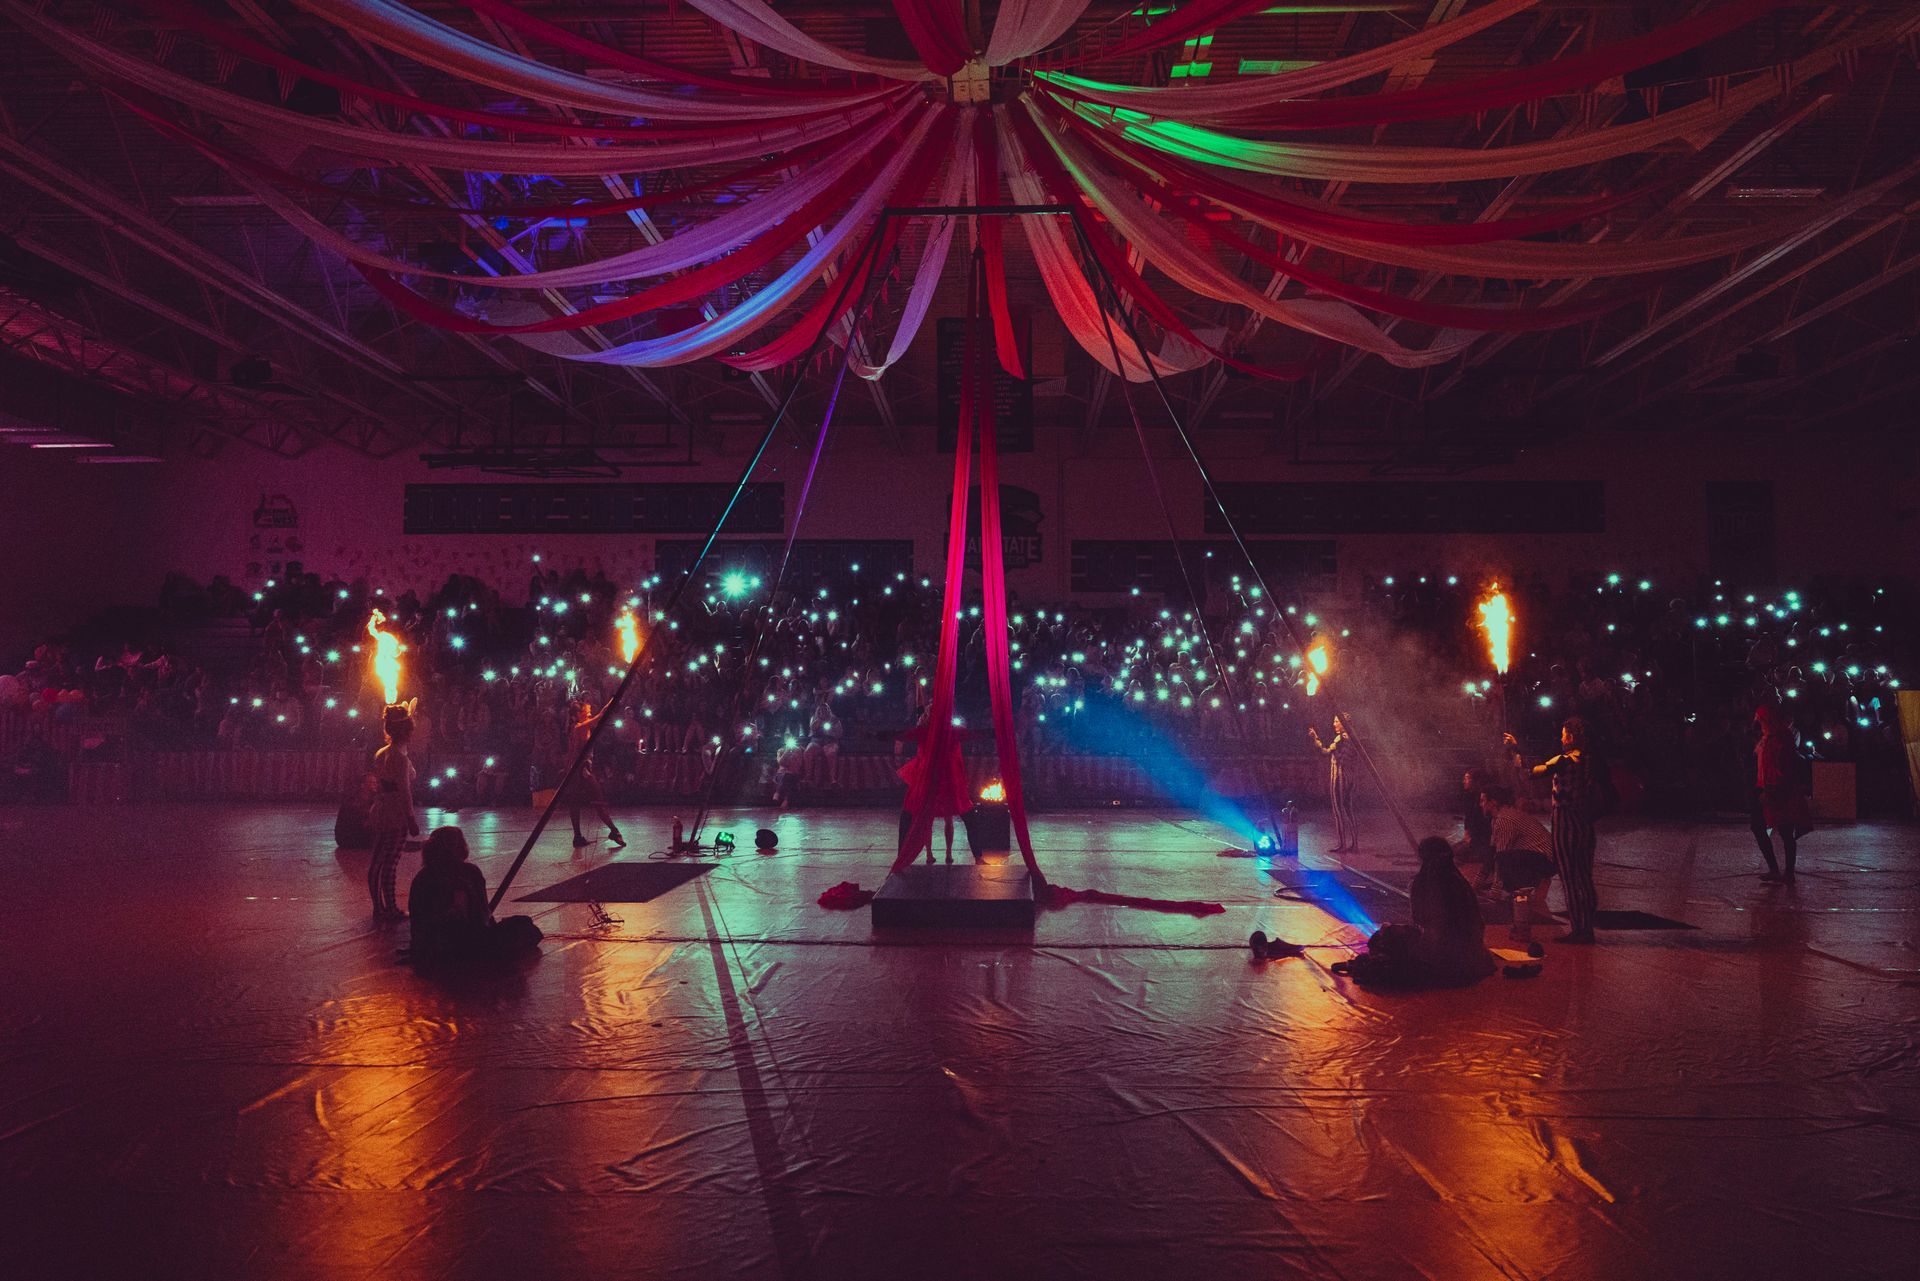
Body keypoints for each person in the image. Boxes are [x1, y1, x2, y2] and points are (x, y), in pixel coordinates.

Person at [1333, 837, 1494, 988]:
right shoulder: (1460, 882)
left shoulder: (1423, 884)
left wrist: (1395, 934)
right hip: (1473, 957)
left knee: (1384, 937)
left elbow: (1424, 926)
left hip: (1441, 957)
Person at [1506, 719, 1600, 943]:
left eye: (1563, 734)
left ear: (1570, 737)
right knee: (1584, 879)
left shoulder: (1565, 760)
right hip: (1585, 823)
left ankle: (1580, 931)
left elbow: (1530, 772)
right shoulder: (1589, 760)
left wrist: (1516, 750)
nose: (1560, 738)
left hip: (1566, 822)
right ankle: (1587, 928)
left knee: (1569, 878)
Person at [407, 827, 542, 967]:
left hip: (429, 947)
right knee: (523, 925)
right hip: (464, 943)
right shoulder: (469, 872)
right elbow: (481, 915)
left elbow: (418, 920)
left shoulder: (422, 877)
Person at [896, 708, 970, 864]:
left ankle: (947, 852)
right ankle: (930, 853)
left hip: (943, 775)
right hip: (931, 774)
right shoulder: (925, 731)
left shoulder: (946, 730)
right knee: (928, 817)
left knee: (945, 817)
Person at [368, 702, 420, 921]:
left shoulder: (382, 753)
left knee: (378, 861)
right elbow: (404, 791)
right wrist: (411, 819)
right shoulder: (399, 758)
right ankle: (389, 908)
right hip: (395, 814)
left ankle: (379, 907)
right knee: (389, 863)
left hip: (380, 810)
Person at [1478, 785, 1557, 922]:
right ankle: (1533, 883)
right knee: (1497, 855)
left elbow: (1500, 857)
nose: (1480, 805)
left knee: (1504, 858)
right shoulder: (1497, 819)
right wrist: (1476, 884)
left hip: (1546, 860)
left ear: (1493, 802)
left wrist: (1495, 892)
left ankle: (1539, 880)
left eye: (1483, 801)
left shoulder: (1504, 820)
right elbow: (1490, 855)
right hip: (1539, 857)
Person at [1752, 703, 1811, 884]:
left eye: (1761, 719)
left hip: (1780, 791)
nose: (1758, 722)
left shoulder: (1780, 739)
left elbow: (1783, 768)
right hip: (1768, 789)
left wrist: (1771, 790)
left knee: (1785, 831)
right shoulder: (1768, 738)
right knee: (1761, 828)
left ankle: (1787, 872)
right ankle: (1777, 870)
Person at [564, 697, 625, 850]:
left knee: (577, 801)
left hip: (581, 768)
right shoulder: (579, 727)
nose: (590, 713)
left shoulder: (581, 727)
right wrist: (612, 700)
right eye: (586, 712)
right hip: (580, 769)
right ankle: (613, 831)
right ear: (578, 715)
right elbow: (601, 715)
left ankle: (579, 836)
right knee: (597, 800)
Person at [1307, 714, 1358, 852]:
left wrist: (1315, 738)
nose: (1334, 724)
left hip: (1340, 776)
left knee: (1339, 810)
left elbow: (1325, 752)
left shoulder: (1341, 738)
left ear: (1343, 723)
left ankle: (1342, 844)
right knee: (1348, 809)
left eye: (1336, 721)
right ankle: (1354, 844)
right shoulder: (1352, 737)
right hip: (1349, 776)